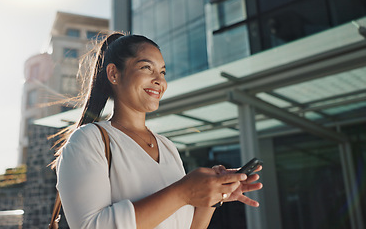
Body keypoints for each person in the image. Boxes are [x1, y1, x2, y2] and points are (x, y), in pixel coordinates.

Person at [50, 32, 263, 229]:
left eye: (162, 72)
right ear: (114, 73)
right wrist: (184, 191)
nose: (160, 80)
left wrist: (214, 194)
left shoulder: (167, 147)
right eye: (146, 68)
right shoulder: (88, 140)